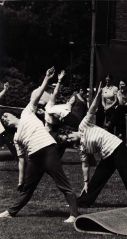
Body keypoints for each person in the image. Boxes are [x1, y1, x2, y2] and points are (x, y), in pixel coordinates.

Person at [0, 67, 78, 223]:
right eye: (3, 119)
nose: (4, 118)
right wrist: (20, 180)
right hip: (34, 158)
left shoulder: (26, 113)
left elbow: (36, 96)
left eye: (6, 115)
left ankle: (74, 215)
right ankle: (11, 212)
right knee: (28, 188)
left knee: (62, 183)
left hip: (48, 149)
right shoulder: (16, 138)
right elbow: (21, 160)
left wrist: (47, 79)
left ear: (14, 115)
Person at [64, 82, 127, 207]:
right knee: (97, 179)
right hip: (107, 155)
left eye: (70, 137)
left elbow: (92, 109)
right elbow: (85, 165)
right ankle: (83, 202)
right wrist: (85, 183)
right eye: (69, 141)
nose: (71, 140)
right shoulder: (81, 147)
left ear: (72, 132)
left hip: (117, 148)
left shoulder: (83, 126)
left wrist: (98, 94)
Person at [0, 82, 17, 159]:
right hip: (1, 132)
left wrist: (5, 89)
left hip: (2, 132)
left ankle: (22, 162)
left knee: (13, 147)